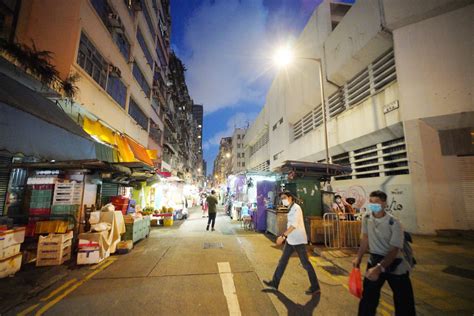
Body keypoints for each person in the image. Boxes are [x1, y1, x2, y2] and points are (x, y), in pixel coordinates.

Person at [353, 190, 415, 316]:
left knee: (404, 303)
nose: (372, 204)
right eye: (371, 202)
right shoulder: (367, 218)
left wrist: (379, 268)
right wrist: (358, 257)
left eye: (376, 202)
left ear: (384, 204)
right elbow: (365, 238)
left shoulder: (394, 223)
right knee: (368, 300)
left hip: (396, 265)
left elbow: (394, 250)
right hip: (374, 260)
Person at [263, 191, 321, 295]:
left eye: (284, 197)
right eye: (281, 198)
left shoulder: (296, 208)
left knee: (305, 264)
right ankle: (274, 283)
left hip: (298, 240)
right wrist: (286, 237)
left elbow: (294, 225)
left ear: (290, 197)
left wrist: (283, 236)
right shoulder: (290, 208)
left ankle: (315, 286)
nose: (283, 200)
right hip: (291, 240)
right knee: (282, 261)